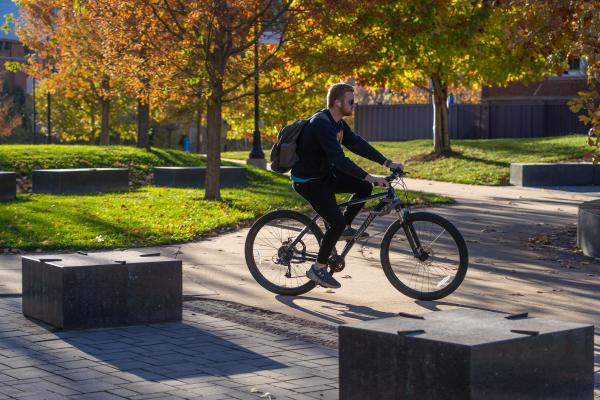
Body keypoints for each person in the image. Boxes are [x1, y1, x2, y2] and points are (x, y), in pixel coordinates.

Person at [291, 83, 404, 289]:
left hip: (324, 175)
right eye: (351, 101)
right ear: (337, 102)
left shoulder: (338, 124)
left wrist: (387, 163)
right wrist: (370, 176)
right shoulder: (321, 124)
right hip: (309, 182)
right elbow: (339, 160)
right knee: (336, 222)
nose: (354, 104)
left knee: (363, 188)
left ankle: (344, 228)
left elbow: (358, 144)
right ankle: (318, 268)